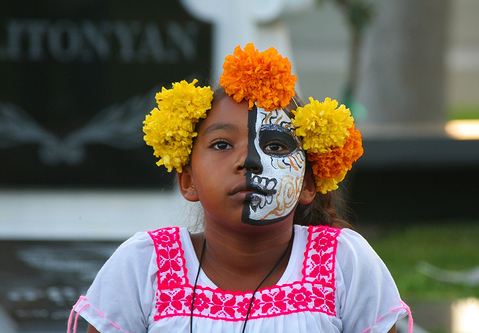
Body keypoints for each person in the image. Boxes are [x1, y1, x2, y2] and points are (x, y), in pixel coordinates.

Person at [67, 43, 413, 333]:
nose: (249, 160)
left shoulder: (345, 262)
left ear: (308, 183)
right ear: (187, 180)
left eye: (276, 147)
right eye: (221, 144)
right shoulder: (143, 266)